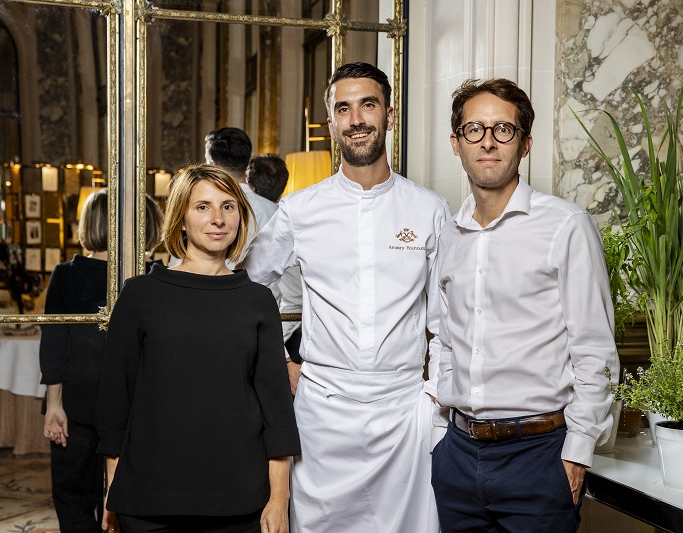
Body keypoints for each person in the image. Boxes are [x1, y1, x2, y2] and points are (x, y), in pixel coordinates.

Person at [242, 62, 451, 533]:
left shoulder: (429, 209)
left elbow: (448, 319)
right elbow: (247, 287)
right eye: (343, 109)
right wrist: (279, 361)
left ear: (389, 116)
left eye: (368, 105)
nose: (356, 119)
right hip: (322, 412)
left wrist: (433, 396)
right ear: (332, 123)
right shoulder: (300, 209)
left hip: (404, 412)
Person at [431, 78, 619, 532]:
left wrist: (578, 451)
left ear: (525, 143)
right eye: (474, 129)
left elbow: (595, 348)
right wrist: (439, 438)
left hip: (539, 456)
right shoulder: (450, 234)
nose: (488, 141)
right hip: (457, 455)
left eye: (503, 129)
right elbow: (446, 340)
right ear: (456, 144)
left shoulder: (566, 225)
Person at [95, 164, 300, 533]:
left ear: (240, 216)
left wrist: (279, 497)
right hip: (149, 496)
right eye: (203, 207)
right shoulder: (140, 295)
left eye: (228, 206)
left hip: (239, 496)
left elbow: (277, 410)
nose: (218, 219)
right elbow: (115, 401)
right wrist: (114, 487)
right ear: (181, 219)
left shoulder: (257, 301)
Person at [40, 190, 163, 533]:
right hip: (131, 407)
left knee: (74, 498)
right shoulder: (156, 275)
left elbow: (54, 346)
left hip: (82, 404)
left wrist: (54, 405)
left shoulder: (67, 274)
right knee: (129, 499)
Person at [246, 154, 303, 377]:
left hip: (280, 342)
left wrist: (271, 343)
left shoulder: (287, 222)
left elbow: (293, 297)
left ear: (250, 185)